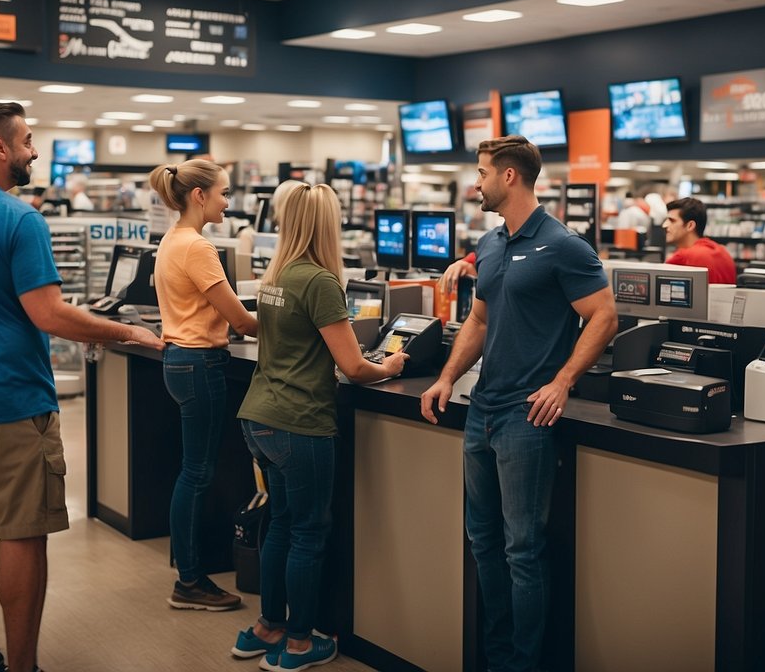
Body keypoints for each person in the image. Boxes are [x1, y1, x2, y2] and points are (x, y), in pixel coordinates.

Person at [0, 102, 164, 672]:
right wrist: (130, 332)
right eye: (28, 140)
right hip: (11, 403)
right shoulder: (19, 220)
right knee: (21, 536)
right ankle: (22, 667)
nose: (34, 151)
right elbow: (49, 315)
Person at [420, 135, 617, 672]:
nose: (475, 183)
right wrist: (445, 378)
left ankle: (523, 665)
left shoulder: (563, 245)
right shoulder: (490, 243)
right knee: (482, 540)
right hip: (482, 409)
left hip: (525, 418)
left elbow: (604, 315)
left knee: (522, 551)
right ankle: (497, 656)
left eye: (481, 173)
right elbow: (479, 322)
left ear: (509, 176)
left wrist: (563, 381)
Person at [231, 183, 407, 671]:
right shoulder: (321, 282)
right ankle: (301, 644)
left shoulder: (276, 275)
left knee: (281, 522)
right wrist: (390, 367)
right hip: (300, 424)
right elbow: (354, 367)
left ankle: (267, 626)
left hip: (258, 419)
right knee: (309, 531)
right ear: (328, 226)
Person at [148, 158, 259, 612]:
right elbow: (242, 321)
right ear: (200, 196)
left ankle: (190, 575)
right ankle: (190, 581)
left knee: (192, 472)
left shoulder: (172, 240)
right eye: (224, 193)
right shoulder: (197, 247)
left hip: (179, 360)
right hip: (199, 364)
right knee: (196, 474)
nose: (227, 201)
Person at [662, 196, 738, 285]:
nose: (664, 225)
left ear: (690, 226)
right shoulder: (723, 252)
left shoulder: (683, 257)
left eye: (672, 220)